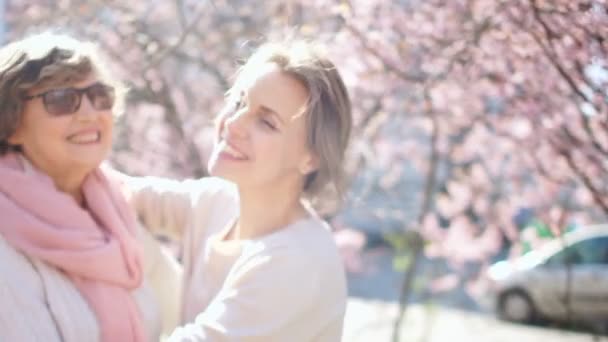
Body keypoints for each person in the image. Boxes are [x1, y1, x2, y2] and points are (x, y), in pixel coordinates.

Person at [125, 40, 352, 341]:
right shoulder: (218, 202)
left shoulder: (295, 261)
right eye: (239, 102)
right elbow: (120, 193)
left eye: (266, 122)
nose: (233, 124)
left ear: (311, 157)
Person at [0, 32, 181, 342]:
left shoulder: (114, 208)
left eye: (100, 96)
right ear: (12, 124)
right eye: (60, 100)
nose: (89, 114)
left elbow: (181, 307)